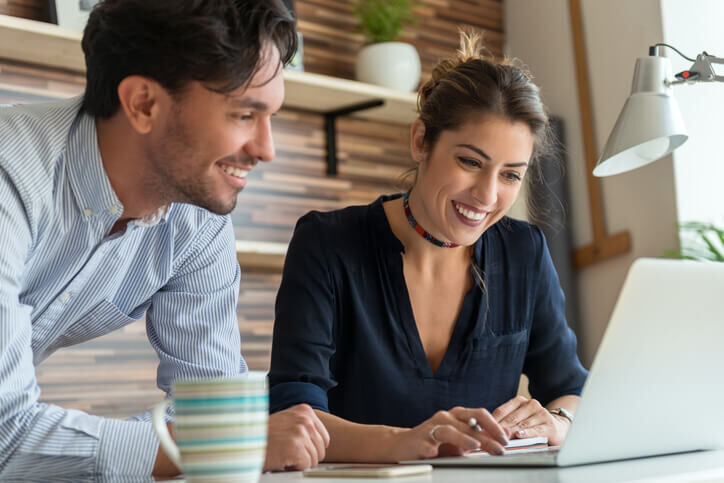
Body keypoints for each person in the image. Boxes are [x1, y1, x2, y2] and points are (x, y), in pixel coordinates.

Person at [0, 0, 328, 479]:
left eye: (271, 116)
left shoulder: (198, 218)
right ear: (143, 104)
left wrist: (207, 441)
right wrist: (211, 444)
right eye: (243, 114)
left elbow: (210, 408)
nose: (266, 149)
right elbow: (7, 432)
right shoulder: (11, 173)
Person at [268, 31, 588, 463]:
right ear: (421, 141)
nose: (487, 195)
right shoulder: (327, 243)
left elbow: (570, 387)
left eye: (511, 175)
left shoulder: (524, 251)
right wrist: (401, 443)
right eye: (470, 162)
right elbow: (293, 413)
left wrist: (558, 422)